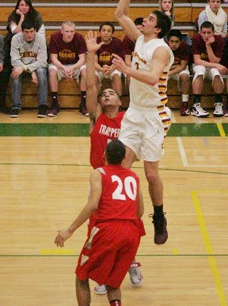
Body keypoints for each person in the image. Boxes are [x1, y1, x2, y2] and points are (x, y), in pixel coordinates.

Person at [111, 0, 174, 245]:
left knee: (150, 174)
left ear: (157, 29)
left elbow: (152, 77)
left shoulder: (161, 50)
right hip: (134, 112)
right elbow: (119, 14)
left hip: (154, 114)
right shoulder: (140, 41)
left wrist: (126, 70)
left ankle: (159, 216)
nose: (143, 21)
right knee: (123, 167)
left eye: (149, 19)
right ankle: (126, 215)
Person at [84, 30, 143, 295]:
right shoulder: (96, 117)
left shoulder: (128, 119)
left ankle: (130, 262)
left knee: (130, 226)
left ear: (120, 100)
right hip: (100, 178)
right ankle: (103, 273)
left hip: (122, 179)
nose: (106, 95)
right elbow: (90, 85)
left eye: (111, 94)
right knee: (96, 228)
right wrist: (91, 54)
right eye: (103, 94)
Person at [54, 139, 145, 306]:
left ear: (104, 154)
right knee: (113, 283)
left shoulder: (99, 173)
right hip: (132, 233)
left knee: (82, 275)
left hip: (108, 230)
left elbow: (93, 204)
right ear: (124, 157)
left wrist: (70, 229)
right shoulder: (134, 177)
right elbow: (140, 212)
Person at [48, 21, 88, 116]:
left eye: (72, 31)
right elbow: (53, 58)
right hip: (60, 65)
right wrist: (63, 68)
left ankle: (83, 103)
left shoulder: (79, 38)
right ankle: (54, 104)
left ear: (75, 31)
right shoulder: (54, 37)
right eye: (67, 31)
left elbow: (82, 58)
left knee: (85, 71)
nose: (69, 34)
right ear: (61, 31)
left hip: (75, 64)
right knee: (52, 72)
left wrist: (73, 68)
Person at [9, 20, 48, 118]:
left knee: (42, 72)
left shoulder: (41, 38)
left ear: (35, 31)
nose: (29, 34)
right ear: (22, 32)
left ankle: (42, 106)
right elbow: (14, 60)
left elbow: (43, 61)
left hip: (35, 67)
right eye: (26, 32)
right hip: (21, 66)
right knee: (15, 74)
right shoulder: (15, 39)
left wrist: (28, 69)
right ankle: (15, 106)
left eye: (31, 31)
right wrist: (26, 69)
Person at [190, 21, 227, 117]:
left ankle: (219, 103)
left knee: (216, 72)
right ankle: (196, 104)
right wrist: (216, 65)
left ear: (213, 33)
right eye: (204, 32)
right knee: (200, 70)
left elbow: (215, 61)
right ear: (200, 33)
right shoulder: (196, 38)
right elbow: (197, 61)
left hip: (212, 65)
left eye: (209, 33)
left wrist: (208, 46)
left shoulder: (219, 40)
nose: (206, 35)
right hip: (200, 65)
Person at [94, 22, 125, 98]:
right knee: (93, 78)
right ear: (100, 32)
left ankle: (118, 100)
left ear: (112, 33)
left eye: (108, 31)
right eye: (104, 30)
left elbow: (118, 60)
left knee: (116, 76)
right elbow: (94, 62)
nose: (106, 33)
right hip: (99, 68)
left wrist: (111, 68)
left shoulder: (117, 42)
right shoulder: (95, 42)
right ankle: (94, 101)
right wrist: (101, 69)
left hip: (113, 67)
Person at [167, 30, 192, 116]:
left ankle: (185, 104)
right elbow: (162, 66)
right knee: (159, 78)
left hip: (176, 70)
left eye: (176, 42)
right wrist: (175, 67)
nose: (174, 44)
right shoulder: (163, 47)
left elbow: (183, 66)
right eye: (172, 41)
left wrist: (170, 72)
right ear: (168, 41)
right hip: (168, 69)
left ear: (180, 42)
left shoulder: (184, 46)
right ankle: (160, 104)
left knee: (185, 76)